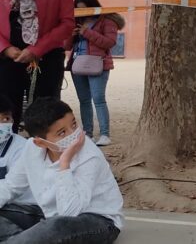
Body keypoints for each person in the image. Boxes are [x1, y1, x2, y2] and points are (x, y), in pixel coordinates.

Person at [0, 98, 123, 243]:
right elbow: (11, 186)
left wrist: (64, 163)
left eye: (74, 124)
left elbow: (70, 212)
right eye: (62, 133)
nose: (73, 134)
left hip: (98, 221)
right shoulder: (31, 149)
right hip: (48, 217)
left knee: (56, 226)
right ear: (40, 142)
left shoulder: (89, 155)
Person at [0, 0, 74, 130]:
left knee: (46, 117)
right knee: (6, 114)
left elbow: (67, 23)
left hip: (46, 59)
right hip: (7, 59)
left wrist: (37, 49)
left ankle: (44, 149)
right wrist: (6, 48)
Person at [67, 0, 124, 147]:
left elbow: (109, 42)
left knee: (98, 99)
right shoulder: (76, 21)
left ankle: (105, 134)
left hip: (98, 65)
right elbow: (66, 46)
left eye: (84, 9)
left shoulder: (107, 20)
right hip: (77, 65)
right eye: (78, 9)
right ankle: (88, 133)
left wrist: (87, 32)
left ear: (93, 6)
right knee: (84, 100)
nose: (82, 13)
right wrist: (70, 35)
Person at [0, 95, 43, 240]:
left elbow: (11, 189)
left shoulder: (22, 148)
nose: (3, 124)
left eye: (6, 118)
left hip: (26, 208)